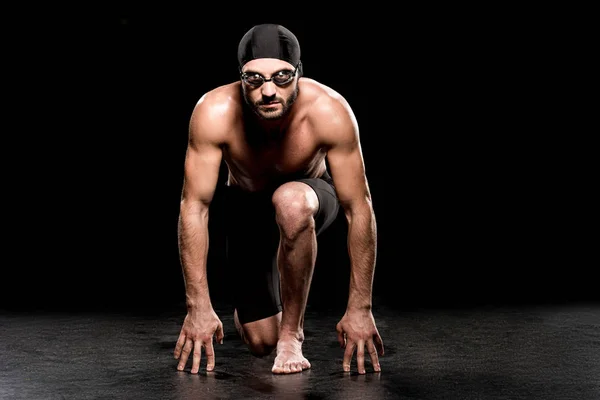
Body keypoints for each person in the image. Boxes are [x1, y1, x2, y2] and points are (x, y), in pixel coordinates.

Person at [173, 23, 384, 375]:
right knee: (259, 342)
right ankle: (268, 326)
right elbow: (194, 206)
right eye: (254, 79)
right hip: (247, 208)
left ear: (299, 74)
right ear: (241, 78)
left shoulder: (329, 111)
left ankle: (291, 336)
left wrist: (360, 307)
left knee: (291, 202)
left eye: (282, 77)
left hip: (309, 196)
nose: (268, 90)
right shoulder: (214, 112)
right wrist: (198, 306)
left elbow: (359, 207)